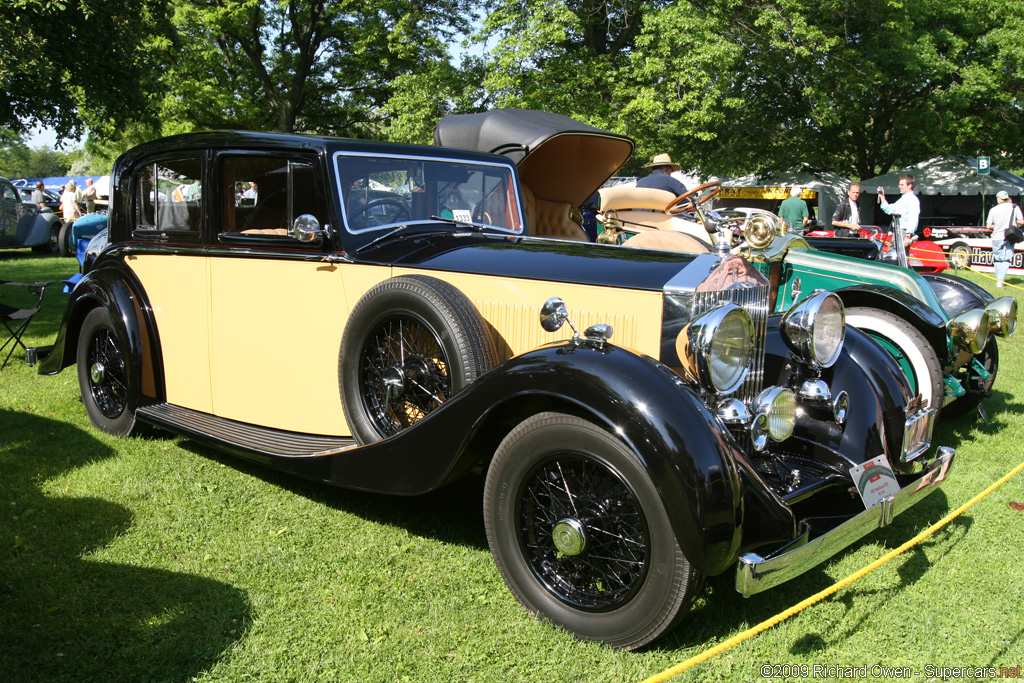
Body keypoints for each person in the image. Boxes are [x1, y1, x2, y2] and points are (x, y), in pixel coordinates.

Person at [987, 190, 1023, 288]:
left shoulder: (993, 210)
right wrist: (1015, 226)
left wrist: (997, 225)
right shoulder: (1014, 207)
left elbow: (989, 225)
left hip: (996, 237)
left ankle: (998, 280)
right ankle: (1000, 281)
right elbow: (1021, 221)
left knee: (998, 259)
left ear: (999, 198)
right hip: (1009, 236)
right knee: (1006, 259)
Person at [877, 174, 920, 257]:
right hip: (897, 231)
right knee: (892, 255)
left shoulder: (913, 200)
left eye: (902, 185)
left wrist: (908, 236)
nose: (900, 187)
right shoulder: (902, 199)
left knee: (901, 257)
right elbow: (889, 209)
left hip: (904, 232)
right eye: (899, 185)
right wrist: (882, 197)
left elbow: (913, 219)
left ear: (909, 185)